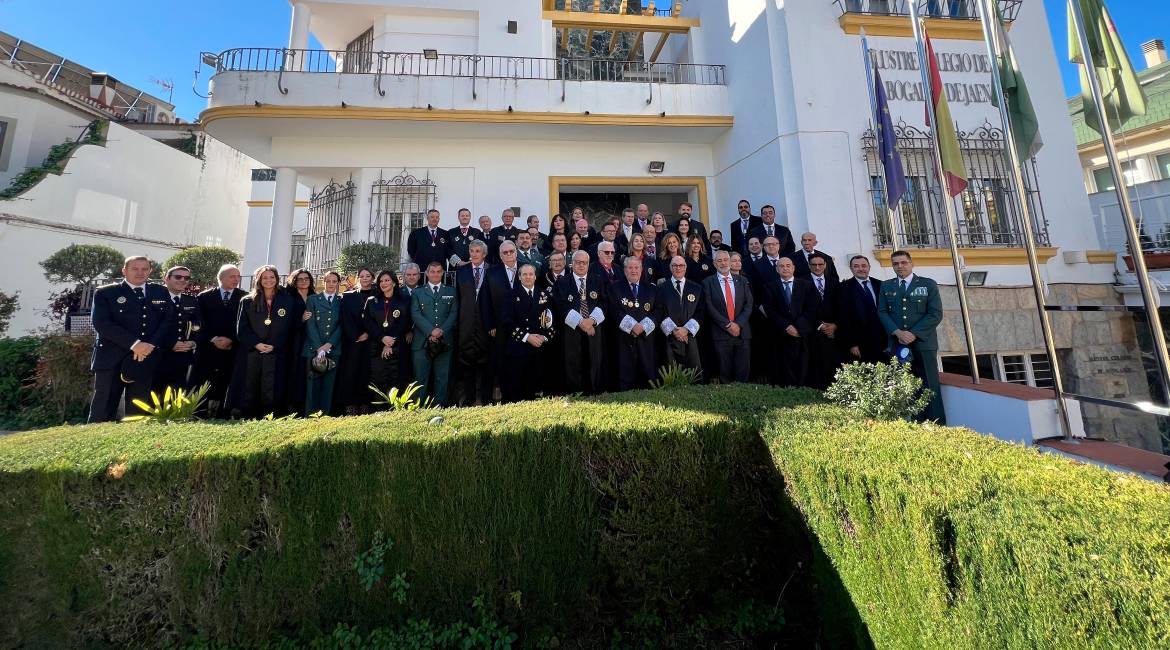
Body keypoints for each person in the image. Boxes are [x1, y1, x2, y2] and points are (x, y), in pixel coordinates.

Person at [87, 255, 177, 423]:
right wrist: (135, 344)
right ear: (124, 271)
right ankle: (94, 443)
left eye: (145, 269)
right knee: (103, 408)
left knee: (138, 410)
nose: (140, 273)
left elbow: (167, 321)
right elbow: (102, 324)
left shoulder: (160, 291)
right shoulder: (106, 293)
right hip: (111, 357)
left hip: (145, 357)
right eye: (135, 269)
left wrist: (150, 345)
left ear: (150, 271)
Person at [877, 250, 945, 423]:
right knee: (905, 385)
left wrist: (913, 334)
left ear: (911, 263)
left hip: (923, 342)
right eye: (895, 264)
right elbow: (882, 312)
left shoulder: (928, 284)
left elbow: (935, 314)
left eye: (903, 263)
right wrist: (898, 333)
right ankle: (913, 422)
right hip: (898, 343)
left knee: (929, 384)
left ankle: (935, 423)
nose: (900, 266)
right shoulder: (887, 286)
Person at [230, 265, 294, 419]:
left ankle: (271, 417)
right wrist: (256, 344)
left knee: (272, 387)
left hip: (276, 351)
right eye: (265, 277)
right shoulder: (247, 301)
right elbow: (242, 328)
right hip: (253, 352)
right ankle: (248, 416)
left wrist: (275, 345)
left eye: (272, 277)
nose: (268, 280)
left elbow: (289, 326)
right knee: (250, 386)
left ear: (277, 279)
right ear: (258, 280)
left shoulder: (287, 300)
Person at [192, 264, 246, 417]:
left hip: (232, 349)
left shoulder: (245, 297)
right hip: (208, 349)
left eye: (238, 276)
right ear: (221, 278)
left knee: (227, 382)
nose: (236, 279)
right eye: (232, 276)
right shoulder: (204, 297)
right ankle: (199, 414)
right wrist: (213, 338)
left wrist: (232, 340)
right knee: (203, 384)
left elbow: (245, 324)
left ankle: (224, 414)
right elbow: (198, 322)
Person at [498, 263, 556, 402]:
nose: (528, 277)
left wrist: (545, 337)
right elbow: (507, 322)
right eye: (524, 274)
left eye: (531, 274)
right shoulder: (510, 295)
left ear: (535, 276)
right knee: (518, 389)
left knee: (537, 388)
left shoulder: (545, 294)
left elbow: (553, 319)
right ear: (519, 277)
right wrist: (527, 337)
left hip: (540, 347)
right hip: (519, 348)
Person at [554, 251, 608, 395]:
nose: (581, 265)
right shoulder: (562, 282)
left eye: (584, 262)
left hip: (593, 329)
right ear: (572, 263)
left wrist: (591, 321)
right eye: (578, 262)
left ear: (588, 264)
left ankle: (594, 390)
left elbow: (604, 302)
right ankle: (575, 391)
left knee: (594, 358)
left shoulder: (598, 281)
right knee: (572, 360)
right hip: (572, 331)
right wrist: (580, 322)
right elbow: (560, 305)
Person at [760, 258, 818, 387]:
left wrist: (798, 327)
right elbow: (770, 310)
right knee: (783, 367)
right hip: (780, 334)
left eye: (788, 266)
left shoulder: (806, 285)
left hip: (802, 334)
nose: (785, 268)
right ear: (777, 269)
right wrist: (786, 326)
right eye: (781, 266)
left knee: (803, 365)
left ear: (793, 268)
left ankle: (803, 391)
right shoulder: (769, 287)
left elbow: (811, 308)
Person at [411, 262, 458, 406]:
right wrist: (431, 331)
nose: (436, 274)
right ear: (427, 273)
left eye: (438, 271)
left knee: (442, 378)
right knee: (420, 379)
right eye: (432, 271)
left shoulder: (451, 291)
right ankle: (418, 409)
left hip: (445, 341)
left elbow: (454, 313)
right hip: (422, 342)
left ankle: (440, 408)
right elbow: (415, 314)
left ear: (443, 273)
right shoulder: (417, 292)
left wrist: (441, 331)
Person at [454, 240, 494, 406]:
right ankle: (469, 400)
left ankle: (486, 400)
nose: (474, 254)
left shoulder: (492, 270)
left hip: (487, 324)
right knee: (467, 363)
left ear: (484, 254)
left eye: (478, 251)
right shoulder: (462, 272)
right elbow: (458, 298)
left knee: (486, 364)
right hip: (467, 324)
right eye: (472, 251)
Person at [702, 251, 752, 384]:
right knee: (725, 373)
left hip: (742, 333)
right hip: (721, 333)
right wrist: (728, 325)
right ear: (714, 264)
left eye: (725, 260)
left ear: (730, 262)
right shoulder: (707, 282)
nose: (723, 263)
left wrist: (738, 324)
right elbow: (709, 306)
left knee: (742, 372)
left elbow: (749, 304)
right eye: (719, 261)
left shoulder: (742, 281)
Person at [609, 257, 658, 390]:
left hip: (645, 337)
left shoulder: (652, 289)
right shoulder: (614, 288)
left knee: (647, 374)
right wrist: (632, 326)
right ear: (624, 271)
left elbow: (658, 311)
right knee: (624, 373)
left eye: (636, 268)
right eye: (630, 268)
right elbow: (613, 309)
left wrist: (643, 326)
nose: (634, 271)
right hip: (623, 338)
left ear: (642, 270)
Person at [364, 270, 411, 405]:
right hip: (377, 348)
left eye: (387, 280)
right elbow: (368, 322)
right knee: (379, 380)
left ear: (394, 282)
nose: (384, 283)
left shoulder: (405, 300)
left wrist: (390, 342)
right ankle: (380, 411)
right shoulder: (372, 301)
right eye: (381, 281)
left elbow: (405, 322)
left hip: (398, 348)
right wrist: (382, 338)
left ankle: (397, 410)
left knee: (398, 380)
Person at [153, 265, 201, 396]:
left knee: (177, 397)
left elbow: (198, 325)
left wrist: (193, 342)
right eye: (178, 277)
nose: (182, 280)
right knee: (154, 397)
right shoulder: (154, 299)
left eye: (186, 278)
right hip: (158, 355)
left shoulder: (190, 300)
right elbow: (149, 327)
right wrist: (171, 343)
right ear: (166, 279)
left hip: (182, 356)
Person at [485, 241, 522, 401]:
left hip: (523, 325)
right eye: (505, 252)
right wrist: (490, 324)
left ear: (516, 252)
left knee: (522, 359)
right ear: (500, 255)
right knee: (502, 360)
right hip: (499, 326)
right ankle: (505, 395)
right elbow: (485, 301)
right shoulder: (492, 273)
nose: (508, 254)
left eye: (511, 251)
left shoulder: (527, 269)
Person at [303, 271, 343, 415]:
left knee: (329, 385)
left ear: (338, 283)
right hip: (313, 348)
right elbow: (310, 324)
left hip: (333, 349)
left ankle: (325, 415)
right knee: (312, 384)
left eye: (334, 281)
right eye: (328, 281)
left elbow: (341, 325)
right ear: (323, 282)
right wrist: (319, 347)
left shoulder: (341, 301)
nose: (331, 284)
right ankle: (310, 414)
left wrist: (329, 345)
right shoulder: (313, 299)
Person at [337, 268, 375, 414]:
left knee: (367, 374)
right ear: (358, 278)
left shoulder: (379, 294)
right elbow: (344, 318)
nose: (365, 278)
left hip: (372, 341)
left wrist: (368, 334)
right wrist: (355, 335)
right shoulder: (347, 296)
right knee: (350, 373)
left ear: (372, 278)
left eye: (368, 276)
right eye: (362, 276)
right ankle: (350, 405)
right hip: (352, 342)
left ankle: (365, 405)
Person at [657, 255, 703, 376]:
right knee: (671, 374)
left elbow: (701, 311)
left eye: (681, 265)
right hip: (670, 338)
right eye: (675, 265)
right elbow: (659, 311)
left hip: (690, 338)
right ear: (670, 268)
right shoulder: (661, 288)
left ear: (685, 268)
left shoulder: (696, 288)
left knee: (694, 374)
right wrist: (675, 331)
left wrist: (686, 330)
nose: (678, 268)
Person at [837, 255, 887, 363]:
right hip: (860, 342)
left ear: (869, 267)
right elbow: (843, 318)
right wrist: (852, 343)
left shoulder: (881, 285)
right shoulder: (843, 288)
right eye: (856, 266)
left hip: (883, 339)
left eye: (864, 265)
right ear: (851, 269)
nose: (861, 269)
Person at [807, 253, 841, 389]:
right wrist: (820, 325)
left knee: (834, 363)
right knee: (816, 364)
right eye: (814, 265)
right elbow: (801, 308)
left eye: (820, 264)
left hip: (833, 332)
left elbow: (840, 306)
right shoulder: (801, 282)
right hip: (813, 330)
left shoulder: (834, 282)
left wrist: (834, 325)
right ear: (809, 266)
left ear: (825, 265)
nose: (817, 267)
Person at [284, 268, 315, 415]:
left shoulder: (314, 296)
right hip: (294, 340)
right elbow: (284, 321)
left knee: (307, 372)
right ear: (294, 281)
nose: (304, 281)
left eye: (306, 278)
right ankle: (291, 407)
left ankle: (306, 406)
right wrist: (300, 320)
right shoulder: (288, 297)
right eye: (300, 279)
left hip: (311, 339)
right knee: (294, 371)